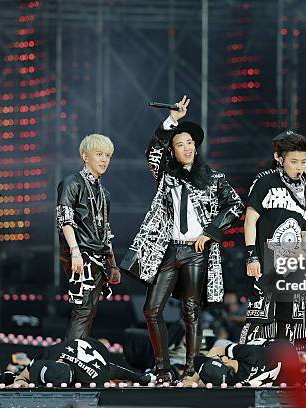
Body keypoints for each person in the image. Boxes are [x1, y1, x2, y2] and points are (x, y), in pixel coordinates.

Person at [121, 95, 244, 384]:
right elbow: (152, 151)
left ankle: (190, 370)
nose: (187, 148)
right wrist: (172, 121)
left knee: (191, 310)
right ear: (173, 151)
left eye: (190, 143)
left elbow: (235, 205)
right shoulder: (165, 175)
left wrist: (210, 232)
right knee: (151, 310)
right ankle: (163, 369)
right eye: (180, 144)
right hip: (168, 249)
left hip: (196, 251)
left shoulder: (214, 178)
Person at [240, 130, 306, 383]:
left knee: (288, 320)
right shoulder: (264, 181)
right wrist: (252, 257)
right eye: (294, 161)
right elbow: (250, 220)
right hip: (266, 262)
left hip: (292, 266)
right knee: (259, 318)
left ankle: (282, 368)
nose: (299, 167)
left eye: (303, 162)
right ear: (278, 158)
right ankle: (249, 366)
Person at [56, 134, 121, 340]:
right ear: (85, 156)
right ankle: (69, 359)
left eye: (108, 155)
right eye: (99, 154)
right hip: (80, 254)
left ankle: (76, 357)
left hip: (99, 258)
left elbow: (106, 231)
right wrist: (75, 252)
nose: (104, 160)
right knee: (82, 310)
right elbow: (64, 220)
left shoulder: (105, 193)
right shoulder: (71, 183)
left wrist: (113, 264)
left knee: (89, 312)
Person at [10, 337, 142, 387]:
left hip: (97, 347)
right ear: (58, 361)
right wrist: (20, 380)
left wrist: (139, 378)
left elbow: (119, 371)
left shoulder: (96, 377)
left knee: (117, 380)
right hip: (73, 344)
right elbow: (26, 373)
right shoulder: (50, 353)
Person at [191, 338, 304, 387]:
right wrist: (193, 379)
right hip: (285, 350)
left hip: (287, 370)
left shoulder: (233, 384)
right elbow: (217, 349)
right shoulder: (250, 354)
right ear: (224, 360)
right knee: (220, 342)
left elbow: (211, 380)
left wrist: (194, 381)